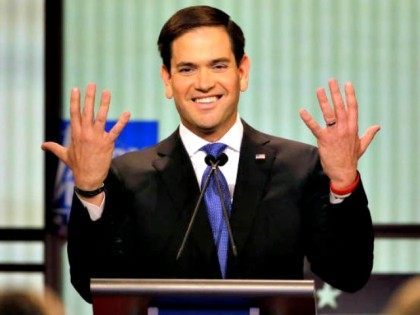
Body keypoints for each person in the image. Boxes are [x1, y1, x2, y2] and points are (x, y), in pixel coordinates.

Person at [42, 5, 380, 303]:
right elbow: (91, 286)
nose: (204, 83)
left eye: (218, 65)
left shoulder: (298, 166)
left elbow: (348, 274)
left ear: (242, 72)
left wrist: (343, 183)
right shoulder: (128, 175)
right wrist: (88, 190)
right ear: (167, 80)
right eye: (187, 69)